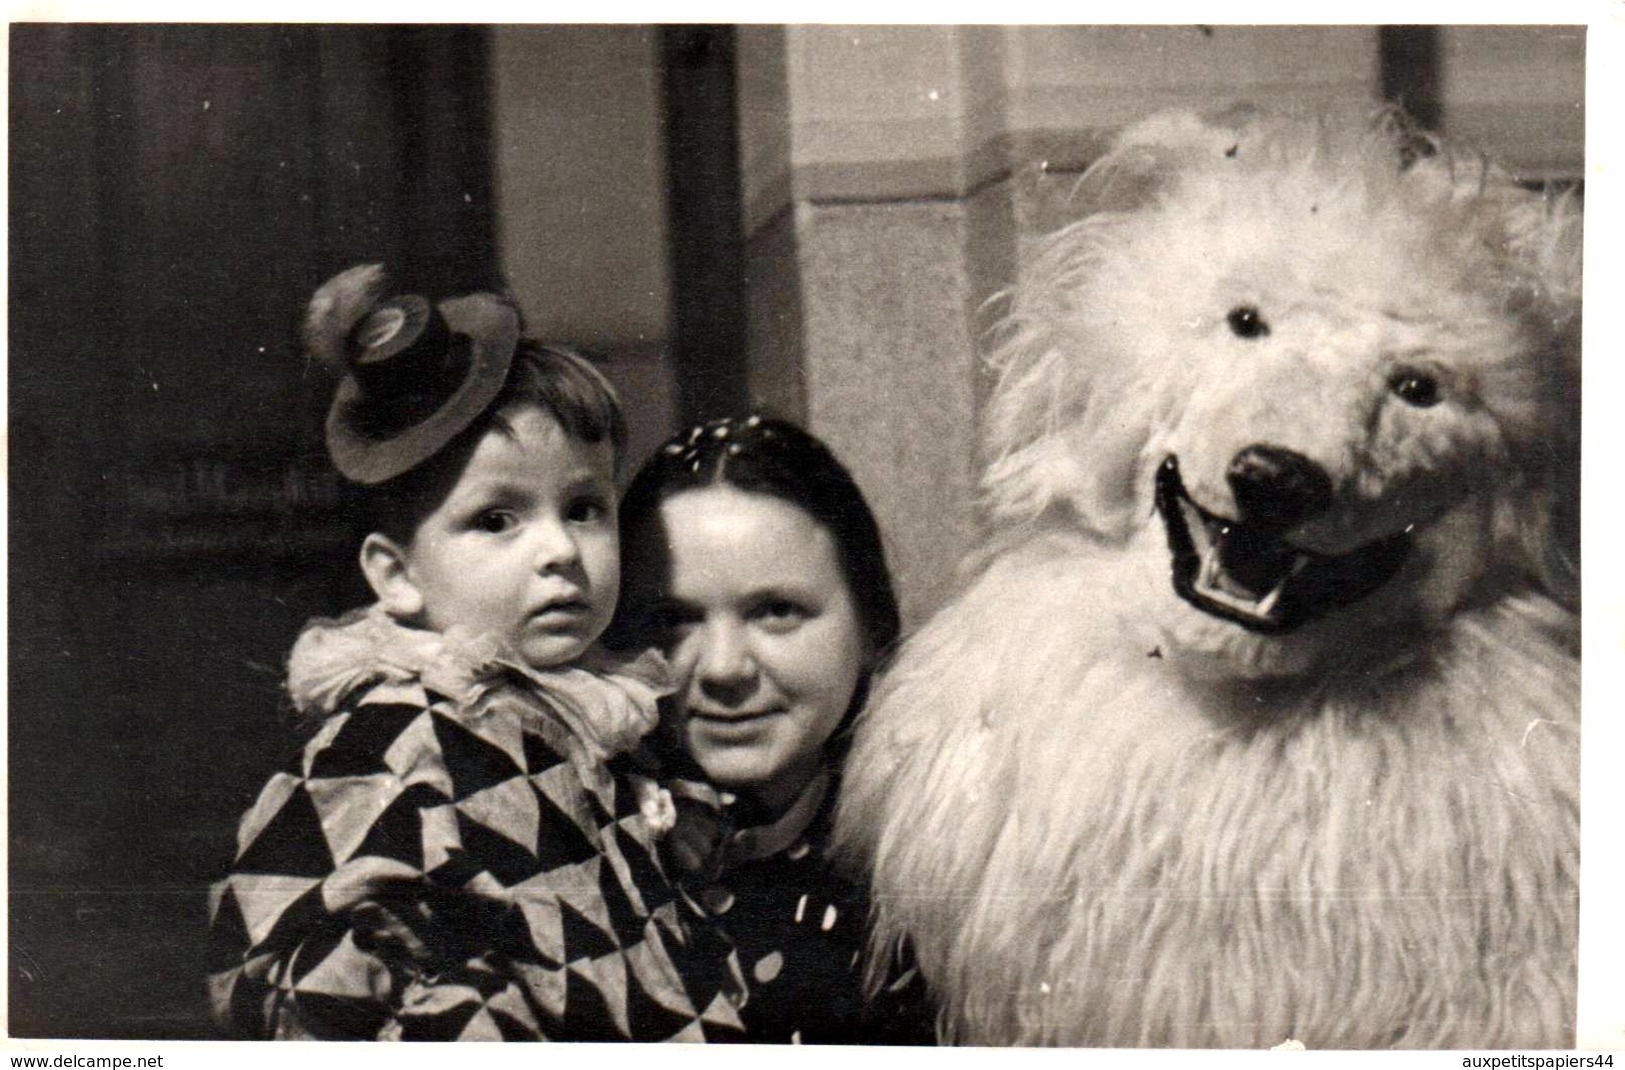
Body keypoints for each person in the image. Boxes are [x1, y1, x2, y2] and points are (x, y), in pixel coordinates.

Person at [208, 265, 745, 1041]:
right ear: (396, 576)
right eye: (497, 519)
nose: (561, 550)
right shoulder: (399, 735)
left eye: (585, 508)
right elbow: (302, 972)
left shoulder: (569, 706)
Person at [607, 415, 936, 1044]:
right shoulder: (582, 849)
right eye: (675, 619)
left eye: (777, 611)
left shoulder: (945, 871)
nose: (725, 668)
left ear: (871, 624)